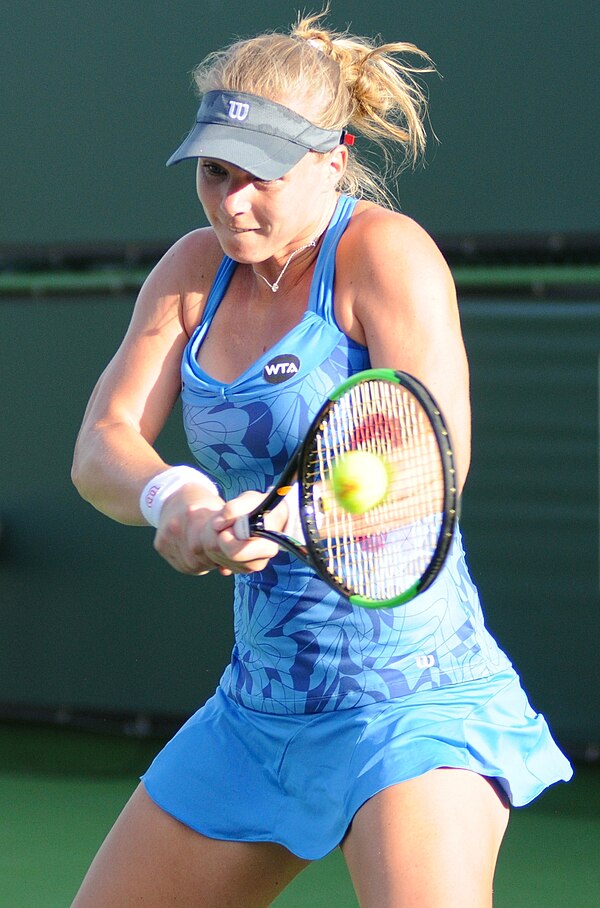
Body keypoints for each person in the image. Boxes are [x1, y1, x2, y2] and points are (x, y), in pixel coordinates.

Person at [70, 11, 572, 907]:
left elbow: (435, 459)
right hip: (256, 717)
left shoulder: (385, 252)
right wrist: (173, 496)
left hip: (416, 707)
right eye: (214, 172)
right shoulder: (191, 271)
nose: (231, 202)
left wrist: (285, 518)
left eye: (259, 177)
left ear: (332, 160)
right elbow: (101, 445)